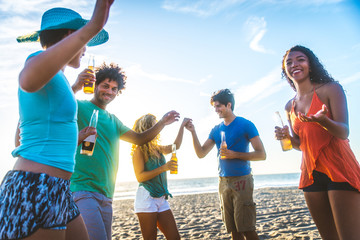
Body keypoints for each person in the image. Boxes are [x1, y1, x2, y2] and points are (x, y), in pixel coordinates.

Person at [0, 1, 114, 239]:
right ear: (72, 36)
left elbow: (22, 135)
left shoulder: (58, 79)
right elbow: (27, 79)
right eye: (84, 43)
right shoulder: (35, 59)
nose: (84, 49)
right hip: (35, 186)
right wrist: (93, 25)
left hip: (59, 188)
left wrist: (73, 88)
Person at [70, 62, 180, 240]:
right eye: (105, 86)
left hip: (106, 193)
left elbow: (139, 138)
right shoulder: (80, 107)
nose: (109, 91)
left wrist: (162, 123)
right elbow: (57, 103)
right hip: (82, 188)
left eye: (114, 89)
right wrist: (76, 86)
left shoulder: (114, 121)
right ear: (95, 85)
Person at [275, 45, 360, 240]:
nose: (294, 64)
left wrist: (324, 121)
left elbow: (343, 131)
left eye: (300, 59)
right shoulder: (290, 106)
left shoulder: (331, 89)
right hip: (311, 174)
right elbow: (301, 145)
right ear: (285, 71)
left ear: (310, 65)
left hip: (339, 169)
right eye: (289, 62)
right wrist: (287, 138)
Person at [185, 89, 266, 240]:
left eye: (218, 106)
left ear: (229, 105)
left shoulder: (246, 125)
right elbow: (201, 153)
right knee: (233, 230)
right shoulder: (216, 130)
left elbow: (262, 154)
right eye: (214, 107)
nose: (216, 110)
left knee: (247, 228)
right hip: (223, 182)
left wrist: (235, 155)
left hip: (242, 180)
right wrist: (193, 132)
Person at [131, 114, 191, 240]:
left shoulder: (157, 148)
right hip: (146, 198)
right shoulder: (139, 151)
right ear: (147, 128)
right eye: (154, 124)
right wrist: (164, 168)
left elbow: (176, 146)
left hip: (161, 198)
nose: (158, 127)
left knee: (175, 237)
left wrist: (182, 127)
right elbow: (140, 177)